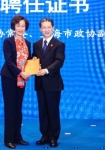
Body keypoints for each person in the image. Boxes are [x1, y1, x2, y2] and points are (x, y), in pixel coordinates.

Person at [0, 15, 32, 149]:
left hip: (22, 79)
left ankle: (18, 137)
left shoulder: (27, 43)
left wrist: (31, 70)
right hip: (9, 77)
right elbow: (9, 61)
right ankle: (8, 139)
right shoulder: (8, 41)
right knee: (10, 108)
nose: (20, 28)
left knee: (18, 108)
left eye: (23, 26)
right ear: (13, 26)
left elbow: (29, 61)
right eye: (18, 25)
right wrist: (20, 72)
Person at [33, 18, 66, 148]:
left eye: (48, 27)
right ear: (40, 29)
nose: (46, 30)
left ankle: (53, 137)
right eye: (44, 27)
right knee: (42, 111)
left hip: (53, 83)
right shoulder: (36, 44)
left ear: (53, 28)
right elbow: (34, 59)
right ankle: (44, 136)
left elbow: (59, 61)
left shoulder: (59, 44)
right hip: (40, 83)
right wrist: (33, 64)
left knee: (53, 111)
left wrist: (46, 70)